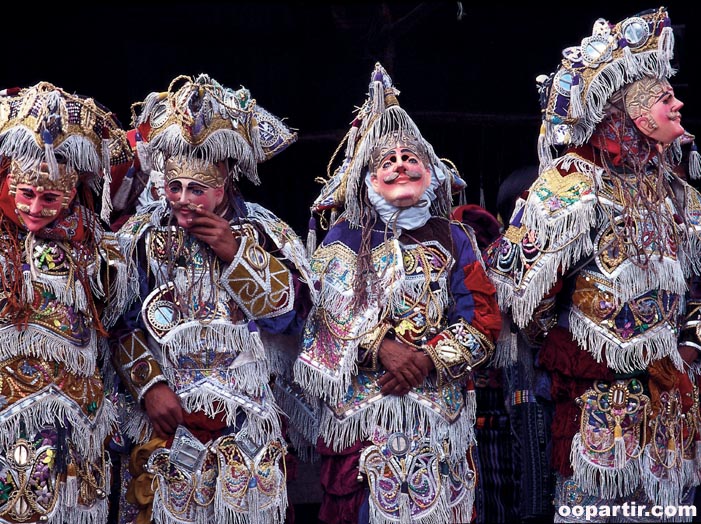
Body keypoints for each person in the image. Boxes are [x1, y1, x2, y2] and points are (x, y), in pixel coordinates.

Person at [485, 7, 701, 521]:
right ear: (631, 111)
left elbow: (697, 288)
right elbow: (515, 286)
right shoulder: (571, 181)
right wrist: (569, 349)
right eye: (665, 97)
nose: (678, 105)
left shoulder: (680, 194)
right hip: (594, 393)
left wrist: (690, 348)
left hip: (671, 400)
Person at [293, 62, 502, 524]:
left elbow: (483, 318)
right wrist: (380, 347)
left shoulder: (454, 237)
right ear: (367, 181)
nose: (400, 164)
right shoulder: (342, 238)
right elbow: (319, 319)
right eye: (386, 161)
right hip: (363, 420)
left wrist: (425, 359)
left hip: (437, 417)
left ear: (430, 171)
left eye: (410, 158)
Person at [110, 73, 313, 524]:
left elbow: (292, 317)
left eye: (196, 190)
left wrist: (237, 254)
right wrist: (151, 387)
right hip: (167, 419)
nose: (182, 201)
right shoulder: (141, 237)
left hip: (246, 422)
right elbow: (120, 320)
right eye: (173, 188)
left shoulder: (264, 232)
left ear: (225, 185)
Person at [0, 81, 134, 523]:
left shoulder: (96, 244)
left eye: (50, 197)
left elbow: (116, 321)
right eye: (26, 194)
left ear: (73, 193)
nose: (36, 208)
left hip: (76, 420)